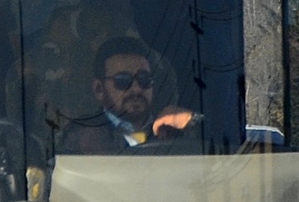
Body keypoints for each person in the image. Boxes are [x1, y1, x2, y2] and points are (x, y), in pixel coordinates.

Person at [57, 35, 196, 153]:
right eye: (123, 80)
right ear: (99, 89)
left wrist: (193, 121)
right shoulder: (79, 136)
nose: (136, 88)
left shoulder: (175, 128)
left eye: (144, 79)